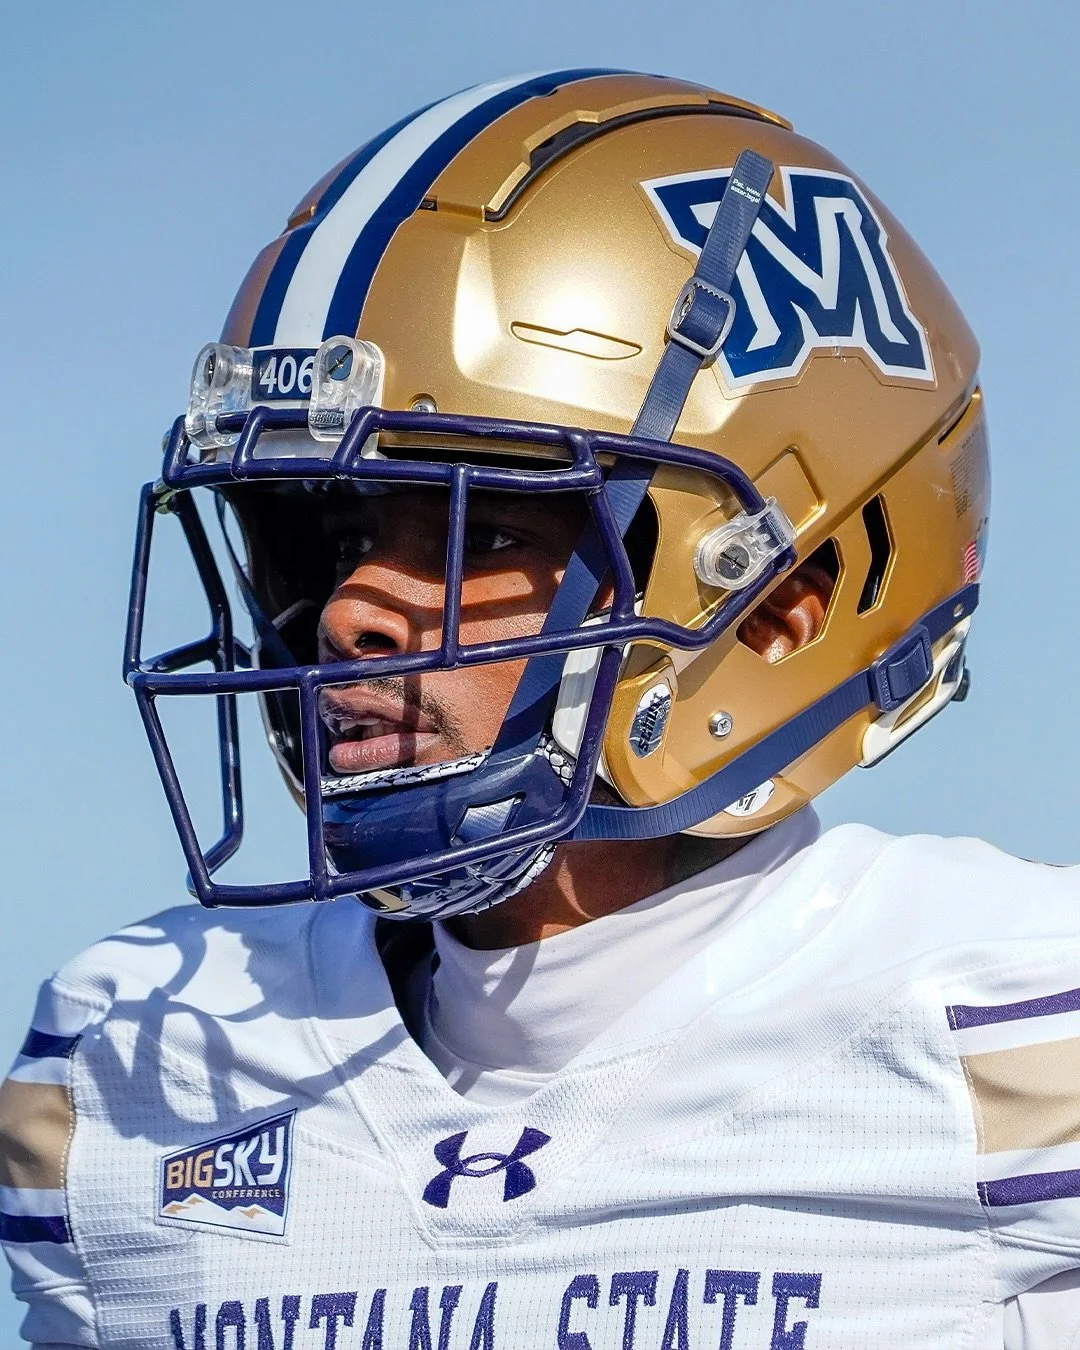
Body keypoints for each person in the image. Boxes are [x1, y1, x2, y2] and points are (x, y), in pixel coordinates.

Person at [1, 67, 1076, 1350]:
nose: (353, 610)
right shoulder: (138, 1051)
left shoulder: (1014, 1024)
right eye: (331, 533)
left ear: (785, 595)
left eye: (486, 528)